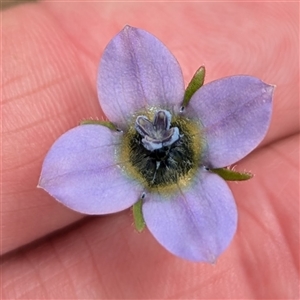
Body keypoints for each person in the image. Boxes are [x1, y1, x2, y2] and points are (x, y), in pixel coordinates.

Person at [1, 1, 298, 299]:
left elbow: (249, 102)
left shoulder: (244, 104)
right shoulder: (93, 164)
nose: (162, 140)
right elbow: (65, 177)